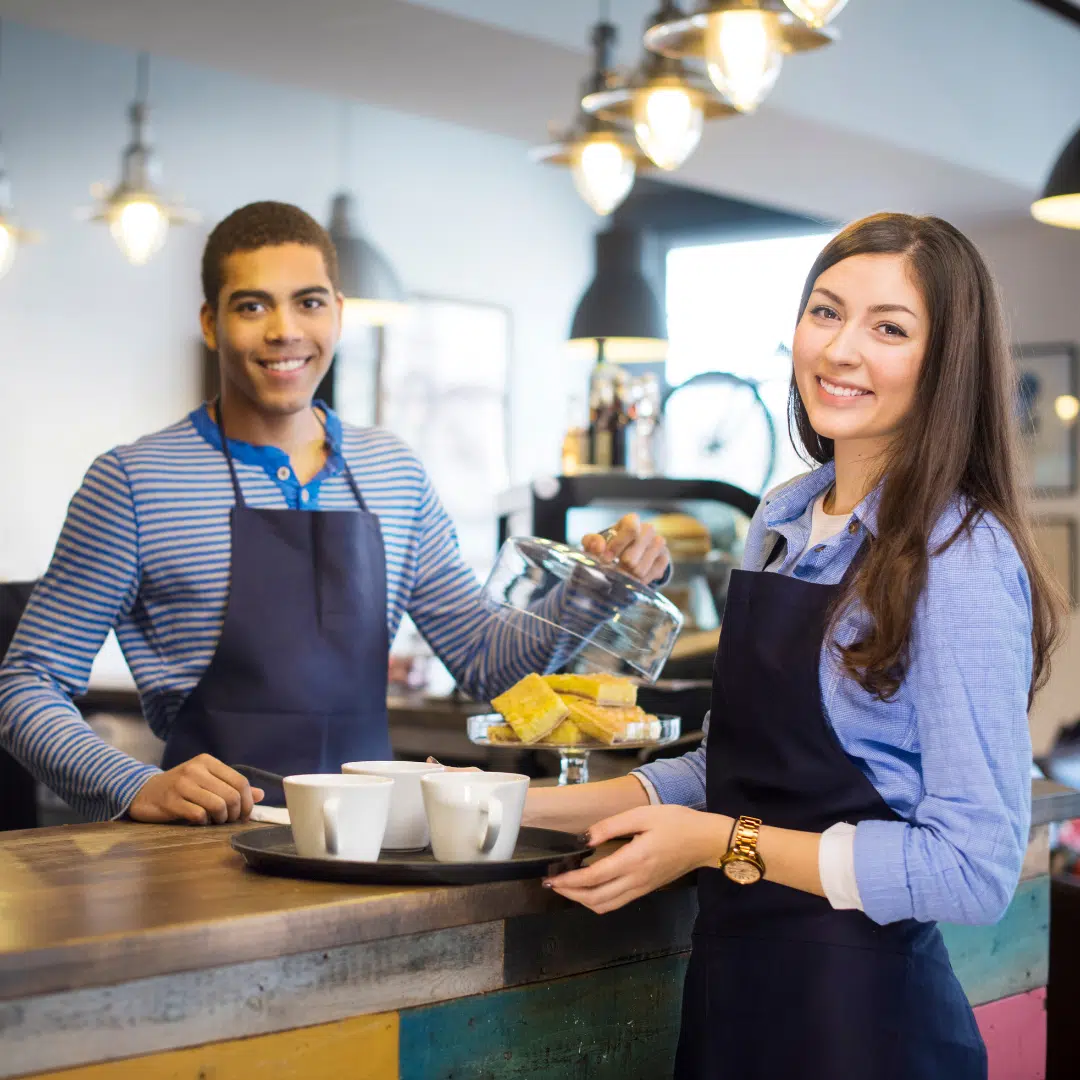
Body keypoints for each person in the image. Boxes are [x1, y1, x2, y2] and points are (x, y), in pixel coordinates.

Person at [526, 212, 1066, 1078]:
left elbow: (972, 868)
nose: (841, 350)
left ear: (944, 362)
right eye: (826, 311)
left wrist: (715, 844)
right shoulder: (781, 518)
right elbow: (736, 769)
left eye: (888, 328)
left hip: (865, 1031)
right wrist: (509, 809)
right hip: (735, 1004)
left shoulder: (957, 555)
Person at [0, 201, 670, 826]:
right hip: (201, 847)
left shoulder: (394, 474)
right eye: (252, 305)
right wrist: (134, 784)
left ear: (339, 315)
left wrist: (596, 583)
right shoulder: (134, 482)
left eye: (308, 303)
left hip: (372, 841)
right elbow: (25, 686)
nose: (285, 330)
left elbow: (488, 666)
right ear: (211, 323)